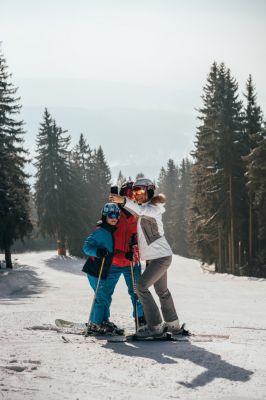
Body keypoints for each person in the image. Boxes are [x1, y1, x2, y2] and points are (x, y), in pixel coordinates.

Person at [110, 178, 181, 338]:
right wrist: (120, 202)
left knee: (141, 287)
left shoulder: (154, 208)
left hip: (161, 258)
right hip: (154, 258)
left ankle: (155, 326)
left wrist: (124, 200)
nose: (137, 195)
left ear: (149, 191)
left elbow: (140, 210)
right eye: (135, 192)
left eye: (141, 191)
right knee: (162, 291)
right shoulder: (143, 209)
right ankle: (173, 324)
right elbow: (134, 212)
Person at [104, 181, 146, 331]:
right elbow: (105, 232)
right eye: (130, 194)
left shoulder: (138, 214)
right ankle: (102, 320)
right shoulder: (115, 213)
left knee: (137, 292)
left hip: (132, 262)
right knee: (105, 292)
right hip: (114, 262)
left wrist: (135, 250)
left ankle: (141, 319)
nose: (133, 198)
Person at [82, 202, 120, 334]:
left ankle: (103, 320)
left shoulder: (110, 230)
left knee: (105, 296)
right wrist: (98, 252)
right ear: (105, 215)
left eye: (117, 214)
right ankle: (96, 324)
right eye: (111, 214)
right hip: (95, 270)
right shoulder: (100, 231)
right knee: (102, 297)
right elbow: (86, 247)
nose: (114, 217)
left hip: (103, 270)